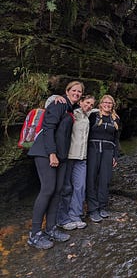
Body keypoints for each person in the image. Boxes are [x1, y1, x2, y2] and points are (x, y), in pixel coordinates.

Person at [27, 81, 84, 249]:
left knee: (57, 191)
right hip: (46, 153)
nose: (76, 93)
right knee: (47, 190)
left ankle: (50, 228)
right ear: (67, 91)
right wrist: (51, 153)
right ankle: (35, 234)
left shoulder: (70, 109)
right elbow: (49, 127)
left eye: (79, 91)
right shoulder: (58, 103)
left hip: (61, 156)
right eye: (73, 90)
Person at [57, 95, 96, 231]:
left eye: (91, 104)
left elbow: (99, 110)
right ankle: (62, 218)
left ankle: (75, 215)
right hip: (69, 156)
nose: (89, 106)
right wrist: (54, 97)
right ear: (80, 102)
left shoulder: (88, 115)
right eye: (87, 103)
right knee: (66, 187)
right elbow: (53, 107)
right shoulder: (73, 112)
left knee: (80, 187)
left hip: (82, 158)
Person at [86, 94, 120, 223]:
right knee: (92, 179)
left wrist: (115, 155)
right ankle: (93, 209)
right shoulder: (93, 116)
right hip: (93, 150)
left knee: (104, 180)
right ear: (100, 104)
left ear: (113, 105)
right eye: (105, 102)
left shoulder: (115, 119)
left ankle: (102, 206)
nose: (107, 104)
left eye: (110, 103)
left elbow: (116, 139)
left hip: (108, 151)